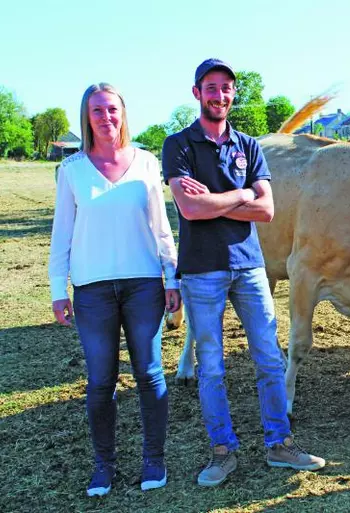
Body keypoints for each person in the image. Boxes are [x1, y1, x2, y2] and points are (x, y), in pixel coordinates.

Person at [161, 58, 325, 487]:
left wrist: (218, 197)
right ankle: (222, 451)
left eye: (226, 88)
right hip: (200, 272)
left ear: (234, 94)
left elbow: (267, 210)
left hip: (250, 267)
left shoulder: (249, 146)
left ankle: (280, 444)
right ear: (197, 93)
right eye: (211, 88)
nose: (219, 95)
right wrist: (241, 195)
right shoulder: (177, 145)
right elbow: (190, 209)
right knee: (211, 367)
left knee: (270, 358)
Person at [49, 83, 180, 496]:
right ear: (86, 118)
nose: (106, 117)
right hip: (93, 290)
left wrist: (171, 276)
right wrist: (58, 288)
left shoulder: (145, 163)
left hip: (143, 285)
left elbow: (162, 228)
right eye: (97, 111)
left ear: (123, 113)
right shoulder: (71, 171)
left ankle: (153, 460)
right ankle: (104, 466)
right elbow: (61, 236)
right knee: (101, 381)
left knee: (149, 372)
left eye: (112, 109)